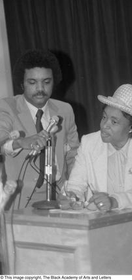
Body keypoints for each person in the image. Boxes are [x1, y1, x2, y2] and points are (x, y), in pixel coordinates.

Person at [58, 83, 132, 211]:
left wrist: (113, 201)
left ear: (131, 127)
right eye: (104, 117)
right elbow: (76, 183)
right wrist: (71, 196)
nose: (104, 125)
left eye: (114, 122)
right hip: (98, 221)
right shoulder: (89, 143)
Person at [0, 49, 79, 210]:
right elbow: (1, 141)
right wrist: (22, 142)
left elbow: (73, 155)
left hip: (60, 197)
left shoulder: (65, 110)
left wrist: (74, 189)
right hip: (19, 200)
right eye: (32, 82)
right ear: (21, 83)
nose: (40, 88)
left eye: (46, 81)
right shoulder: (7, 107)